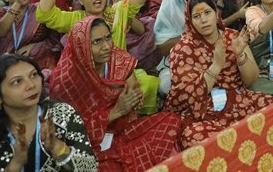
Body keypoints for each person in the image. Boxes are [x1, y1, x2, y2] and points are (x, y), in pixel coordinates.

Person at [49, 17, 180, 171]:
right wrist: (115, 112)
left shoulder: (114, 56)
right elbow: (67, 132)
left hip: (121, 129)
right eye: (97, 41)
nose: (106, 46)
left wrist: (134, 96)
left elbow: (131, 81)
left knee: (171, 120)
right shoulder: (65, 81)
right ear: (81, 46)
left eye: (108, 38)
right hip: (90, 143)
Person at [164, 0, 273, 149]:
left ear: (216, 13)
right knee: (192, 136)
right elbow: (186, 96)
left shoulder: (233, 37)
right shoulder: (183, 49)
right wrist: (216, 66)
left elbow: (251, 79)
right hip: (204, 110)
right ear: (190, 21)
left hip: (239, 100)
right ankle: (246, 144)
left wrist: (239, 55)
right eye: (196, 16)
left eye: (207, 13)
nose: (203, 20)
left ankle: (241, 144)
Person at [0, 54, 98, 171]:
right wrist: (15, 164)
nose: (31, 85)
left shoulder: (62, 114)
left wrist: (58, 148)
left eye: (33, 75)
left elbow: (91, 169)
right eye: (17, 82)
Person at [0, 0, 62, 69]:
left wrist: (36, 47)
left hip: (40, 61)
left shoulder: (41, 9)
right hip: (7, 64)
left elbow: (55, 38)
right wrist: (17, 4)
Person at [154, 0, 201, 94]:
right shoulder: (168, 10)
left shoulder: (202, 4)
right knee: (167, 86)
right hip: (174, 62)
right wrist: (188, 35)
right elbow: (161, 48)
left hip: (203, 57)